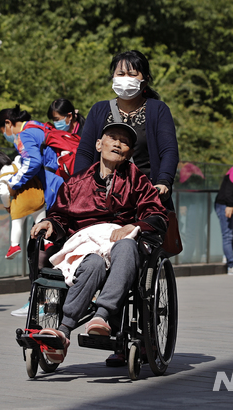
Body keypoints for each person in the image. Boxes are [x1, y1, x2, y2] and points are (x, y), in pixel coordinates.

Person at [29, 122, 168, 365]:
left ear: (130, 152)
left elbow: (156, 214)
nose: (117, 143)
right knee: (92, 263)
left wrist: (133, 227)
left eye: (124, 142)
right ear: (98, 144)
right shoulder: (76, 182)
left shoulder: (139, 181)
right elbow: (60, 214)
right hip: (86, 244)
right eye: (112, 138)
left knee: (125, 245)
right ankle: (63, 332)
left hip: (122, 243)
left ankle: (101, 317)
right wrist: (51, 223)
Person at [74, 50, 179, 210]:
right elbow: (85, 152)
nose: (125, 79)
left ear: (145, 80)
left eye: (132, 74)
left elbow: (169, 151)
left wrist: (164, 181)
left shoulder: (157, 110)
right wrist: (80, 185)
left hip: (146, 197)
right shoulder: (99, 110)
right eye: (121, 74)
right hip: (102, 198)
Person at [0, 105, 65, 317]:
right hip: (64, 184)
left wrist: (14, 183)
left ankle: (41, 302)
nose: (5, 135)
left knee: (41, 250)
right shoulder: (39, 127)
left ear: (8, 124)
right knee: (55, 248)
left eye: (2, 130)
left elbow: (33, 162)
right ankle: (47, 301)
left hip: (53, 189)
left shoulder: (24, 134)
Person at [0, 151, 46, 260]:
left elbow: (4, 193)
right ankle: (48, 242)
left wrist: (7, 205)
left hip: (22, 202)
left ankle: (14, 245)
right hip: (37, 196)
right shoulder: (18, 164)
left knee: (17, 223)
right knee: (42, 223)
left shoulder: (4, 175)